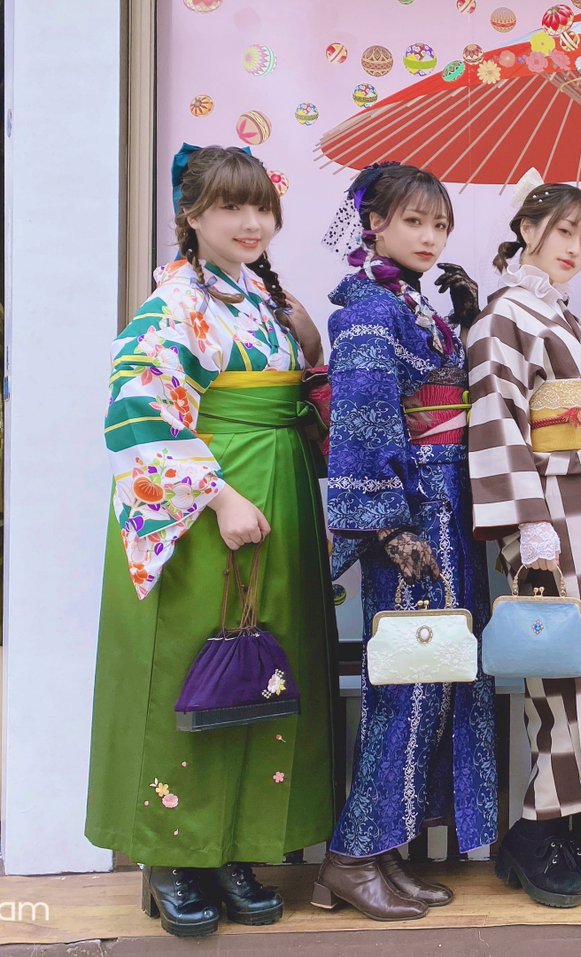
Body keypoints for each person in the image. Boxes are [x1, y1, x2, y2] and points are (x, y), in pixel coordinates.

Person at [86, 145, 335, 938]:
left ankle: (236, 846)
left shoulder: (263, 297)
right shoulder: (175, 305)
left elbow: (300, 386)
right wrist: (219, 495)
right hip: (205, 509)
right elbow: (137, 408)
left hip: (276, 498)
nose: (251, 221)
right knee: (191, 668)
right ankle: (173, 855)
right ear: (191, 215)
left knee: (260, 672)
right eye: (231, 206)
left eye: (261, 206)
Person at [310, 163, 497, 921]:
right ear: (374, 225)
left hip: (444, 508)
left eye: (440, 224)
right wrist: (388, 526)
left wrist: (468, 320)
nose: (429, 237)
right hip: (413, 521)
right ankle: (350, 856)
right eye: (414, 221)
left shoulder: (412, 304)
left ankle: (385, 849)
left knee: (435, 684)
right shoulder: (366, 311)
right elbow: (362, 421)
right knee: (407, 686)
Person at [466, 181, 581, 908]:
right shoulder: (502, 316)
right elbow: (498, 416)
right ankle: (534, 830)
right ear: (527, 228)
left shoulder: (567, 317)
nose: (575, 248)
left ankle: (569, 826)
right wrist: (528, 524)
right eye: (564, 231)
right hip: (551, 513)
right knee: (561, 673)